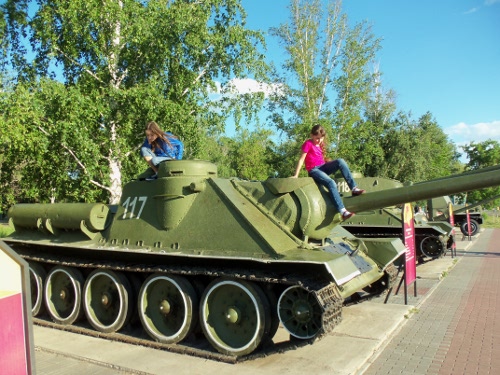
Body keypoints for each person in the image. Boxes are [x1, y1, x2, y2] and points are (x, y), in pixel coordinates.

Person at [292, 124, 365, 220]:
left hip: (323, 167)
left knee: (340, 161)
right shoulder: (308, 144)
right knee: (331, 182)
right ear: (312, 135)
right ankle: (343, 211)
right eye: (317, 138)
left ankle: (354, 188)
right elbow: (301, 160)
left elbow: (321, 158)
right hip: (314, 170)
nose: (319, 140)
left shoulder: (320, 144)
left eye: (321, 138)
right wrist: (296, 175)